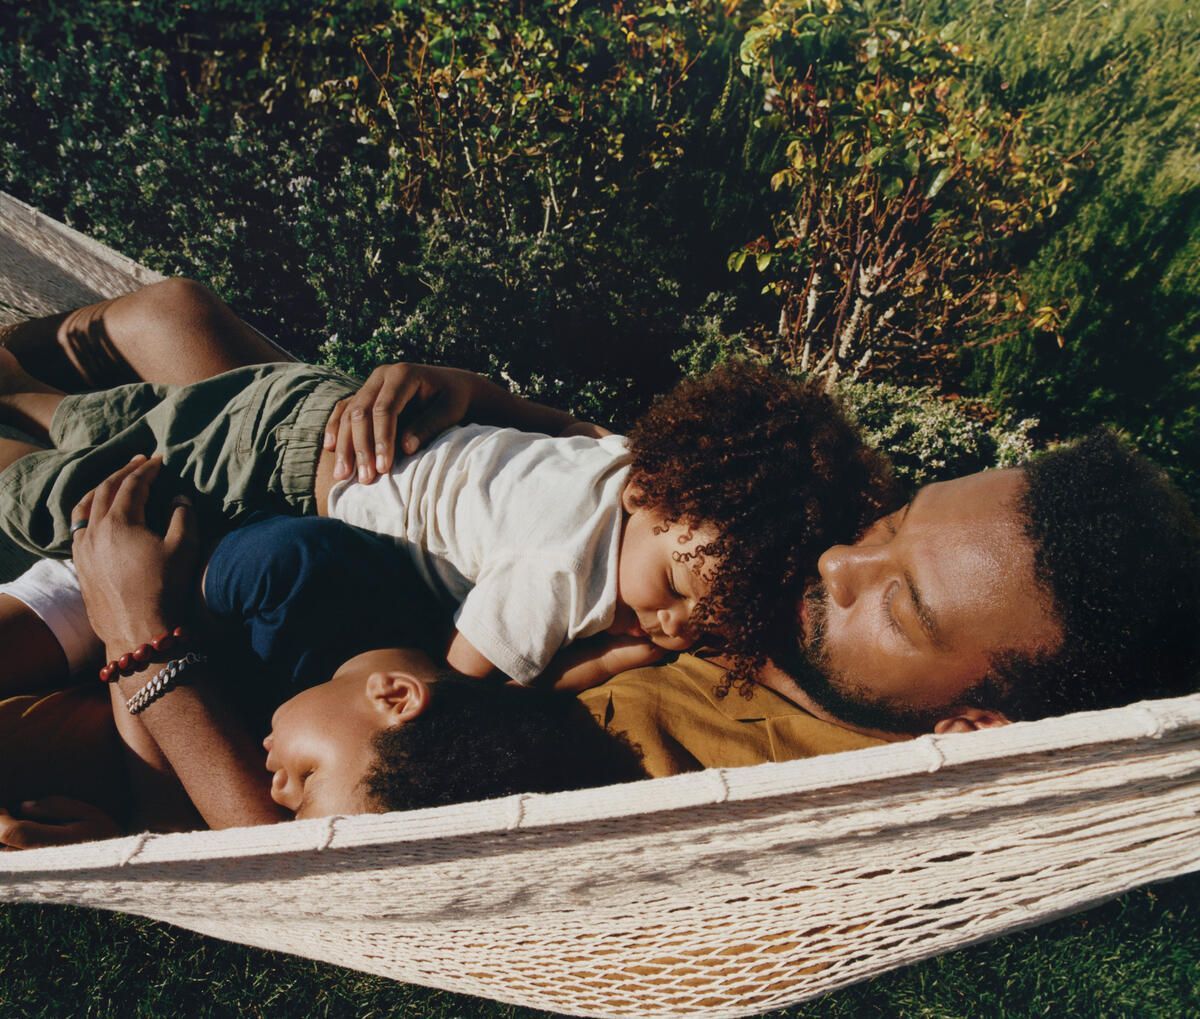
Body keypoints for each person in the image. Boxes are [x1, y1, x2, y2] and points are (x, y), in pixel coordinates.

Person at [0, 348, 895, 692]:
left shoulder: (642, 473)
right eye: (671, 590)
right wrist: (608, 656)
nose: (669, 625)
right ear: (646, 498)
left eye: (704, 620)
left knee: (118, 419)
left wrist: (482, 389)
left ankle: (22, 388)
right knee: (60, 494)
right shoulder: (556, 571)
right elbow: (467, 686)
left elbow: (570, 428)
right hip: (281, 458)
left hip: (320, 420)